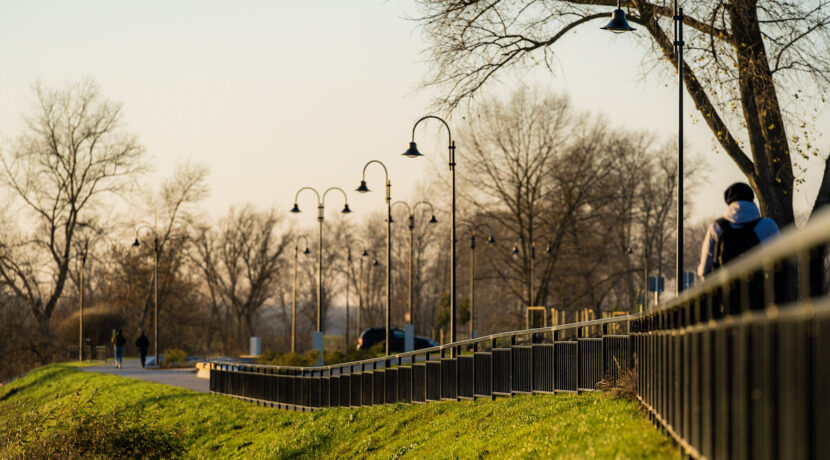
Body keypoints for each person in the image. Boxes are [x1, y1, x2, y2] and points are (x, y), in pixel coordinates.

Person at [697, 182, 780, 280]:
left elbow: (704, 269)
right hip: (758, 290)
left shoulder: (716, 227)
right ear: (751, 200)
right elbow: (780, 259)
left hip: (726, 290)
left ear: (729, 203)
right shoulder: (767, 225)